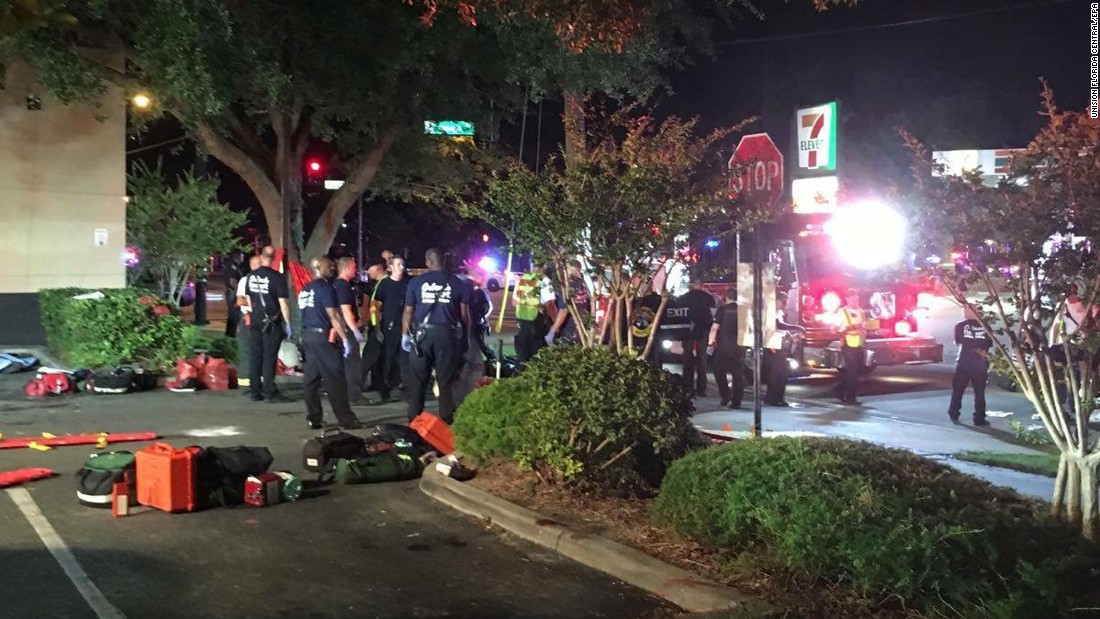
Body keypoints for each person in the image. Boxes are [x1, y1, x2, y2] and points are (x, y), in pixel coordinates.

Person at [402, 248, 470, 423]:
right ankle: (446, 420)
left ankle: (415, 419)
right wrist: (465, 336)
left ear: (428, 262)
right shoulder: (457, 282)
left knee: (418, 380)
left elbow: (408, 312)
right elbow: (464, 315)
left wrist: (405, 335)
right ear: (443, 261)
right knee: (445, 381)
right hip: (447, 336)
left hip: (422, 335)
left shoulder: (416, 283)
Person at [298, 257, 362, 430]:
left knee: (311, 379)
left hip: (308, 336)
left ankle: (314, 417)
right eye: (328, 264)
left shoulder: (305, 289)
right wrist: (345, 339)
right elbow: (333, 315)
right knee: (335, 379)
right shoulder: (325, 288)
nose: (332, 267)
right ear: (318, 267)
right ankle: (346, 420)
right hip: (323, 339)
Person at [246, 246, 292, 403]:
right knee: (269, 357)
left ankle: (254, 391)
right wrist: (287, 323)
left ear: (261, 256)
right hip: (271, 322)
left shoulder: (250, 276)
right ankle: (270, 391)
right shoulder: (277, 278)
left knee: (255, 356)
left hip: (255, 321)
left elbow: (248, 299)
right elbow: (283, 303)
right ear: (273, 259)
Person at [371, 255, 410, 404]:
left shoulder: (408, 284)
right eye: (398, 264)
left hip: (406, 328)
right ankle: (385, 390)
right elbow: (375, 307)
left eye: (403, 264)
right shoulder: (384, 284)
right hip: (390, 328)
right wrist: (377, 327)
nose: (402, 267)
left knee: (405, 360)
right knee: (388, 360)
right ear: (390, 267)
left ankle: (405, 388)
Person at [948, 306, 992, 426]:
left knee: (958, 389)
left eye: (965, 310)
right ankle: (979, 418)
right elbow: (988, 344)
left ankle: (954, 413)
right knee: (979, 392)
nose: (963, 312)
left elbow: (958, 342)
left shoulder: (960, 326)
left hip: (964, 362)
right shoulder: (986, 326)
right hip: (980, 363)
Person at [333, 257, 365, 405]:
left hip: (341, 329)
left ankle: (346, 393)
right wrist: (355, 330)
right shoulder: (344, 287)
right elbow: (346, 311)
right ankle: (354, 396)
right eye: (353, 267)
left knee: (345, 363)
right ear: (345, 268)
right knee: (353, 364)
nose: (356, 269)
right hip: (347, 330)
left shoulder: (336, 285)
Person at [678, 278, 716, 397]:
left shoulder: (683, 298)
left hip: (687, 332)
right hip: (703, 332)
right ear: (702, 285)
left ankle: (687, 387)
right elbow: (713, 315)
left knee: (687, 359)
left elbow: (679, 314)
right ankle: (701, 389)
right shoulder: (708, 298)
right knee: (702, 360)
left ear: (692, 285)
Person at [513, 266, 555, 367]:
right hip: (537, 321)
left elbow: (514, 302)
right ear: (544, 266)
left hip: (523, 319)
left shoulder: (524, 278)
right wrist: (555, 323)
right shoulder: (544, 280)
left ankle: (519, 375)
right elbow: (550, 304)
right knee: (536, 353)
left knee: (522, 354)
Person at [709, 288, 744, 409]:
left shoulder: (722, 309)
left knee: (718, 369)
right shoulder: (743, 310)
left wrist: (710, 343)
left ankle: (725, 394)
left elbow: (714, 328)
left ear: (726, 297)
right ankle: (737, 401)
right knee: (737, 373)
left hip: (724, 346)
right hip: (739, 346)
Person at [546, 260, 590, 346]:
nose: (564, 270)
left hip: (569, 331)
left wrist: (552, 331)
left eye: (566, 268)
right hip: (579, 329)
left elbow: (563, 311)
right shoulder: (581, 284)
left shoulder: (569, 287)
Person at [235, 254, 261, 392]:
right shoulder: (245, 281)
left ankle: (257, 382)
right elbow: (240, 301)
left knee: (258, 352)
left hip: (259, 319)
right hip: (249, 318)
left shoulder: (265, 279)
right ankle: (245, 384)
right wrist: (256, 304)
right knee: (247, 351)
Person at [836, 290, 866, 406]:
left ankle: (841, 391)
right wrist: (853, 327)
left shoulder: (861, 312)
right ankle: (850, 398)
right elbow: (837, 330)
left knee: (856, 371)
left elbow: (863, 328)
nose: (855, 300)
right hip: (848, 345)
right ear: (847, 299)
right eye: (852, 298)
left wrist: (864, 338)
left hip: (859, 345)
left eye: (856, 298)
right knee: (852, 372)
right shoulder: (842, 312)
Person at [224, 250, 246, 337]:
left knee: (233, 314)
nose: (243, 259)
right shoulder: (232, 266)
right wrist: (239, 292)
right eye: (242, 257)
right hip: (233, 293)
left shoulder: (235, 266)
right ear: (238, 257)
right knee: (234, 314)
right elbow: (232, 281)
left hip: (232, 293)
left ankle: (230, 333)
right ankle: (231, 334)